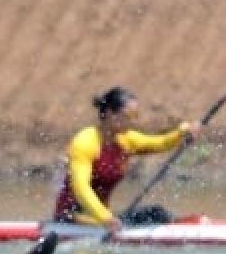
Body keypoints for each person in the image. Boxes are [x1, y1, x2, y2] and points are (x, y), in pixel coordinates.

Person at [51, 86, 200, 230]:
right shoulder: (85, 142)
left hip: (103, 219)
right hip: (72, 218)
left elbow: (160, 143)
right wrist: (105, 218)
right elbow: (81, 188)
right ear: (110, 113)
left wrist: (182, 132)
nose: (132, 121)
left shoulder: (125, 140)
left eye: (135, 116)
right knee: (151, 216)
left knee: (156, 213)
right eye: (128, 116)